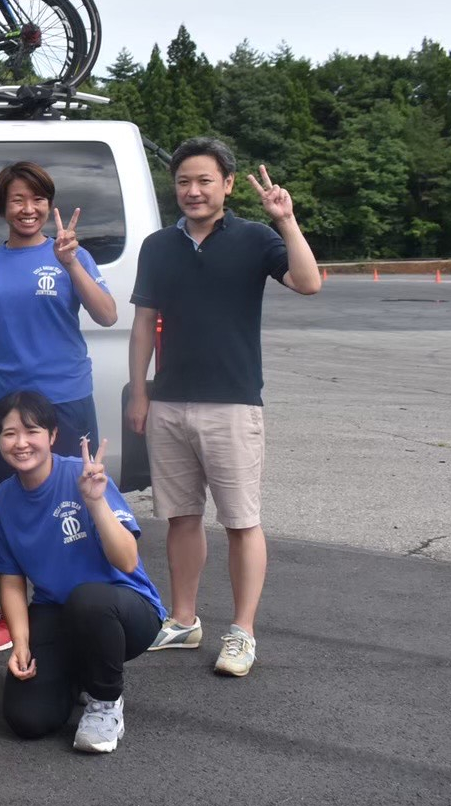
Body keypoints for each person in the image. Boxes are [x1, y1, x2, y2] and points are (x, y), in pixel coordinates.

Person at [128, 137, 321, 676]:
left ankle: (243, 632)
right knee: (181, 518)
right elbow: (144, 322)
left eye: (204, 180)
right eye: (184, 181)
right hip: (168, 403)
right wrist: (139, 392)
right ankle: (184, 619)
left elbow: (308, 283)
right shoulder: (158, 246)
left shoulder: (256, 238)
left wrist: (286, 220)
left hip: (233, 405)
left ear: (228, 184)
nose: (193, 190)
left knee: (241, 521)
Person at [0, 161, 118, 653]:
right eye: (17, 200)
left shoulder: (72, 254)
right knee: (10, 507)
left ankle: (82, 601)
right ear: (2, 207)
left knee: (77, 499)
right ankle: (10, 615)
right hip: (7, 403)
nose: (29, 209)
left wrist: (70, 264)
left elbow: (107, 315)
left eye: (38, 199)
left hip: (66, 398)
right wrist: (4, 349)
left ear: (49, 204)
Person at [0, 391, 165, 754]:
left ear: (51, 436)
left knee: (89, 599)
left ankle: (105, 701)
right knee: (28, 720)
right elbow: (12, 582)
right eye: (9, 433)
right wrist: (21, 644)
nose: (21, 443)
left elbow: (127, 560)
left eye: (31, 431)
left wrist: (95, 502)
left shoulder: (82, 477)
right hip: (59, 613)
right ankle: (77, 673)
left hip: (124, 610)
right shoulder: (2, 500)